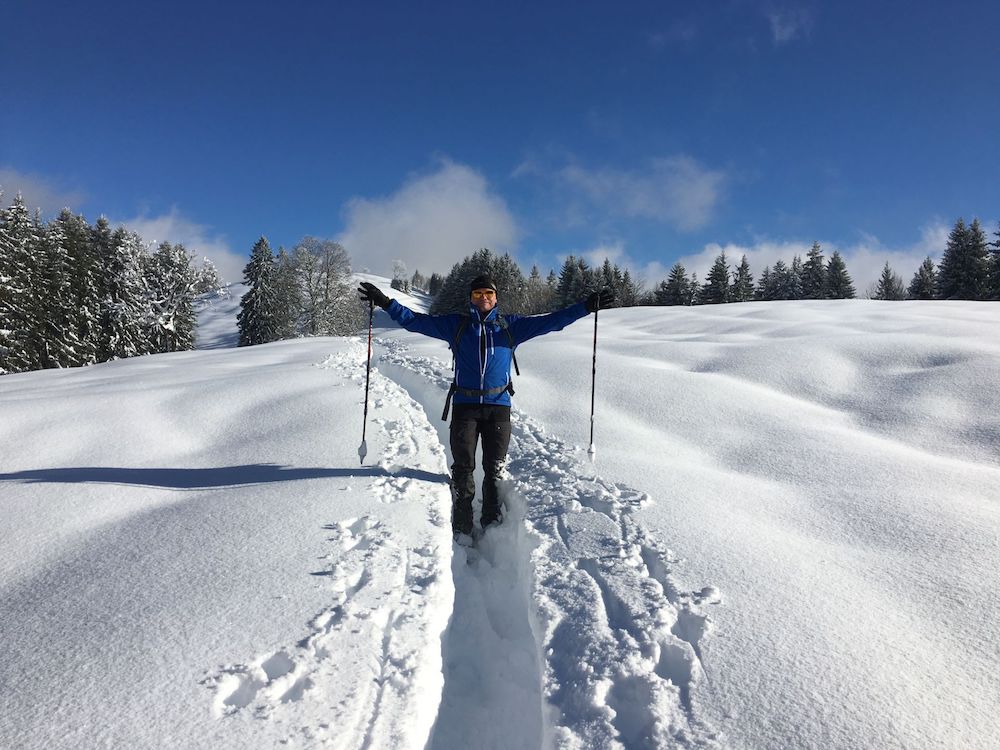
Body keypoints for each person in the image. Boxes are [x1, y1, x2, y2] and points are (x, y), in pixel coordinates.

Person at [358, 274, 612, 542]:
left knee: (494, 468)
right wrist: (385, 302)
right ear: (470, 298)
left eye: (488, 294)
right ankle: (461, 525)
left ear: (496, 298)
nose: (483, 299)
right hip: (465, 407)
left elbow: (551, 322)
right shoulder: (456, 325)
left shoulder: (510, 326)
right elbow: (413, 321)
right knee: (464, 467)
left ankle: (492, 527)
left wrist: (585, 307)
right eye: (477, 294)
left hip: (498, 407)